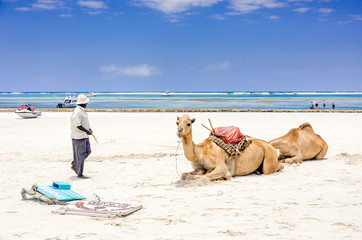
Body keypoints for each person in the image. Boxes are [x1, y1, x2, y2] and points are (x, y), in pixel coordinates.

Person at [70, 94, 93, 179]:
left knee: (88, 151)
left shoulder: (81, 111)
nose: (87, 104)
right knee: (80, 155)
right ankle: (79, 173)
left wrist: (89, 129)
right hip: (78, 137)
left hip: (84, 135)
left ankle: (75, 164)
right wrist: (87, 131)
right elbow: (77, 125)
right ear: (83, 103)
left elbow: (83, 123)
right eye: (86, 102)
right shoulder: (77, 112)